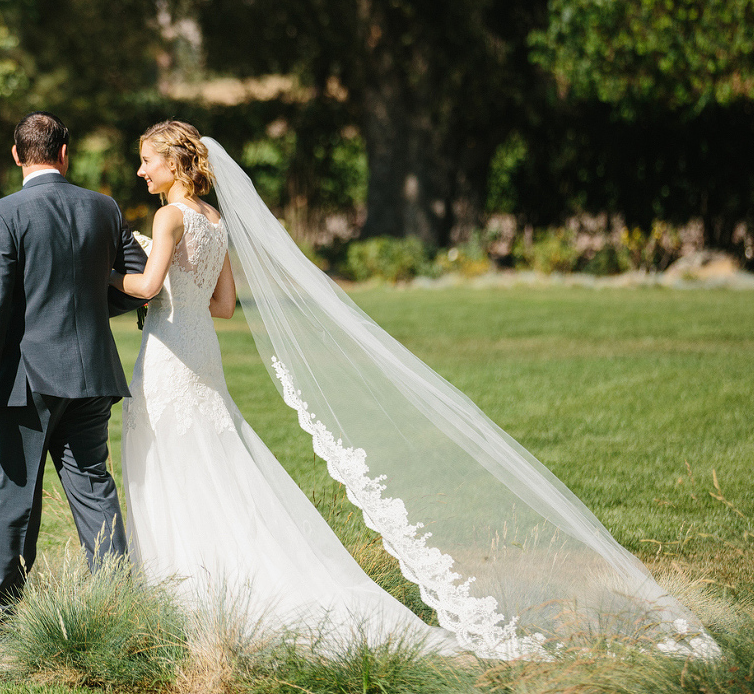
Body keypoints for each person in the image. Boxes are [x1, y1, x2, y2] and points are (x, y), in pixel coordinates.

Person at [110, 120, 717, 659]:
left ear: (176, 163)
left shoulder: (168, 217)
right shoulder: (215, 220)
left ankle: (183, 589)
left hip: (168, 357)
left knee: (169, 457)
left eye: (147, 159)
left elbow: (148, 287)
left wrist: (106, 268)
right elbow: (223, 306)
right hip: (203, 352)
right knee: (213, 460)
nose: (141, 170)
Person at [0, 111, 148, 624]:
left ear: (17, 155)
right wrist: (92, 309)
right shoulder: (104, 207)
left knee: (16, 493)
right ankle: (118, 606)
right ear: (65, 153)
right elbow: (134, 280)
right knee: (94, 488)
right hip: (93, 371)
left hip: (27, 379)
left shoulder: (3, 213)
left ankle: (1, 615)